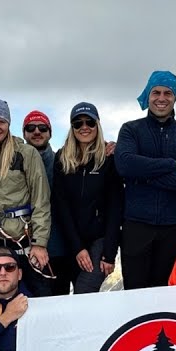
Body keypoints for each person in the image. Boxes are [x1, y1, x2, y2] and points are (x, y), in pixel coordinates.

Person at [114, 70, 176, 290]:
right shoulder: (131, 130)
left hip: (172, 227)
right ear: (148, 94)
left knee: (167, 291)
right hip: (136, 225)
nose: (161, 98)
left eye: (168, 93)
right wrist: (171, 165)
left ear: (175, 98)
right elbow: (124, 165)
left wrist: (141, 176)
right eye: (156, 92)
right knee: (134, 292)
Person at [0, 98, 54, 297]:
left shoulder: (26, 154)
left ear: (8, 124)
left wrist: (40, 243)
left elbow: (40, 199)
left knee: (34, 300)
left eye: (1, 122)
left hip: (21, 241)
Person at [52, 102, 124, 294]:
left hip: (99, 239)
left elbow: (115, 207)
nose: (84, 127)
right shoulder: (61, 159)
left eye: (89, 122)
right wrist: (77, 248)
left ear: (97, 125)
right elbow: (62, 207)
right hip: (71, 240)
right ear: (72, 128)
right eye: (78, 123)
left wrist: (109, 253)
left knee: (85, 292)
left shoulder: (109, 158)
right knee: (63, 296)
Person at [22, 110, 71, 296]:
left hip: (59, 250)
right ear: (24, 133)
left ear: (50, 133)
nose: (37, 132)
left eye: (42, 128)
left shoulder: (63, 161)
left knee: (58, 305)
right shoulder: (14, 163)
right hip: (25, 249)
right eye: (30, 128)